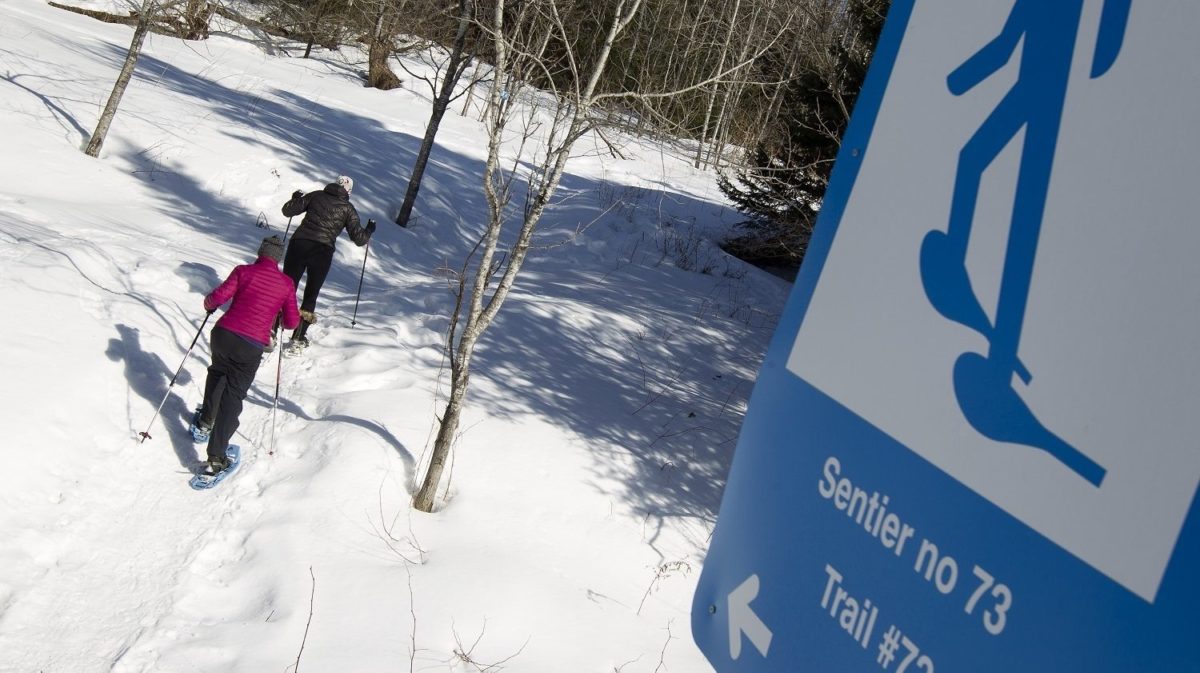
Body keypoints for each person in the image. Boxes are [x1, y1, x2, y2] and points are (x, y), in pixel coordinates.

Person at [193, 235, 300, 475]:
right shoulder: (286, 284)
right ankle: (217, 457)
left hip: (223, 334)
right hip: (250, 345)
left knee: (218, 371)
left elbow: (216, 298)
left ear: (260, 252)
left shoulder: (243, 271)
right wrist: (281, 315)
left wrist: (209, 304)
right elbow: (292, 323)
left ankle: (205, 421)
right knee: (233, 396)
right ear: (278, 259)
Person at [279, 175, 376, 351]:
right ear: (349, 191)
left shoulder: (315, 195)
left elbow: (287, 211)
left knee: (286, 286)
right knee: (311, 293)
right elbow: (359, 239)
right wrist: (369, 229)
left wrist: (296, 199)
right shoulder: (348, 209)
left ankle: (271, 328)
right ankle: (298, 338)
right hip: (322, 251)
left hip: (299, 243)